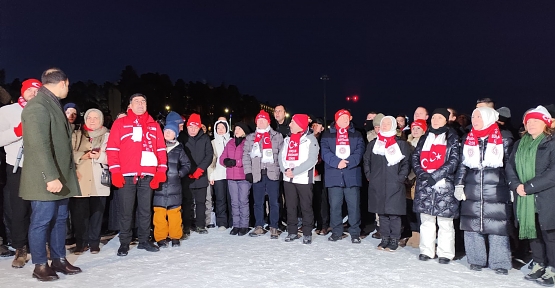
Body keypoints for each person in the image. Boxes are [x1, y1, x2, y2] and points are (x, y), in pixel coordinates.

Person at [20, 68, 82, 281]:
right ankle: (40, 265)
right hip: (45, 178)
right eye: (68, 85)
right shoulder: (37, 106)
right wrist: (50, 176)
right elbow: (38, 145)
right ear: (64, 83)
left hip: (59, 176)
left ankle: (58, 259)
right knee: (42, 220)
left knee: (60, 219)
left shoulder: (51, 102)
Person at [107, 93, 167, 256]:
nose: (140, 104)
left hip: (147, 175)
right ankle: (124, 243)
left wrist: (161, 171)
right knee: (126, 211)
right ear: (130, 106)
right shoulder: (120, 124)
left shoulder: (154, 126)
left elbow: (161, 149)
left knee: (145, 210)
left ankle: (144, 240)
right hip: (127, 175)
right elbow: (112, 149)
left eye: (143, 102)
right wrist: (116, 172)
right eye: (136, 101)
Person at [455, 107, 513, 275]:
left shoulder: (504, 138)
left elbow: (510, 165)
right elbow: (463, 164)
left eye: (479, 116)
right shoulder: (468, 138)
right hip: (472, 187)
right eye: (473, 116)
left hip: (496, 188)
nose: (475, 119)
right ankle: (476, 259)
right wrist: (459, 184)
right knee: (472, 225)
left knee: (497, 225)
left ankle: (500, 261)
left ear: (488, 117)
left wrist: (511, 186)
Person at [506, 106, 555, 285]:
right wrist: (515, 185)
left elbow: (553, 172)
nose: (532, 124)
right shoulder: (519, 144)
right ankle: (539, 263)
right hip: (524, 197)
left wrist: (529, 186)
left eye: (536, 121)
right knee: (532, 232)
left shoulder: (552, 142)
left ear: (546, 123)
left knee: (549, 234)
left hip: (547, 197)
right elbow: (510, 167)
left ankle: (553, 268)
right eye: (529, 121)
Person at [0, 78, 41, 267]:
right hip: (17, 166)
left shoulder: (43, 110)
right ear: (22, 91)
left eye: (37, 90)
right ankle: (20, 248)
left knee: (40, 209)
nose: (33, 93)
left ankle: (39, 245)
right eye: (30, 90)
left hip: (40, 166)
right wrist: (17, 132)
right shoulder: (7, 111)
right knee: (19, 209)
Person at [411, 108, 460, 264]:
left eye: (440, 117)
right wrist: (422, 173)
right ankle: (427, 250)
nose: (436, 120)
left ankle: (445, 252)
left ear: (446, 120)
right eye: (433, 117)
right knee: (426, 220)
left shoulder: (451, 137)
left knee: (445, 222)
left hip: (443, 185)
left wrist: (436, 175)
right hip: (425, 183)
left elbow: (453, 160)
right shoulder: (425, 137)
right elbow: (416, 156)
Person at [364, 116, 411, 251]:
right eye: (382, 123)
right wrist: (369, 175)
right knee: (382, 213)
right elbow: (366, 160)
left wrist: (400, 178)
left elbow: (406, 163)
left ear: (393, 125)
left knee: (394, 213)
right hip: (377, 183)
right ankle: (385, 238)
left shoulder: (400, 144)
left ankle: (394, 239)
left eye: (387, 123)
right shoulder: (374, 144)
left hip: (394, 183)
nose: (384, 125)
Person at [320, 109, 365, 244]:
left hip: (352, 175)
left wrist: (348, 162)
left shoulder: (356, 134)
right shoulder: (327, 135)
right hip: (334, 175)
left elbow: (359, 151)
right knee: (334, 206)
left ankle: (355, 232)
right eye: (341, 118)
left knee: (354, 206)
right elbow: (325, 152)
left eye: (347, 118)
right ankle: (336, 232)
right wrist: (336, 162)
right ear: (336, 119)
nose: (344, 120)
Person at [70, 109, 111, 255]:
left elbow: (113, 156)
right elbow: (69, 152)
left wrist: (100, 156)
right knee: (80, 214)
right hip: (81, 178)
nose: (92, 120)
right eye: (89, 118)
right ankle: (80, 243)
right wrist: (83, 156)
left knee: (97, 213)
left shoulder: (108, 135)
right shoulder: (77, 134)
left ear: (101, 120)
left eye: (96, 118)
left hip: (99, 179)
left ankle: (94, 242)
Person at [279, 114, 319, 244]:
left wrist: (295, 171)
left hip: (303, 179)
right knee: (290, 206)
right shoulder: (287, 139)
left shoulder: (310, 140)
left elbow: (312, 160)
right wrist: (285, 170)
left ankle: (307, 232)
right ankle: (292, 231)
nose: (289, 125)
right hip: (288, 179)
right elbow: (281, 156)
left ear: (300, 125)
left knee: (306, 206)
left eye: (292, 122)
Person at [243, 110, 284, 239]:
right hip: (257, 174)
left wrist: (281, 170)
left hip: (273, 174)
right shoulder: (250, 138)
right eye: (258, 120)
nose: (261, 123)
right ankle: (259, 226)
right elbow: (246, 156)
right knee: (258, 202)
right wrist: (248, 172)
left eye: (263, 120)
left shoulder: (277, 136)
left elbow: (282, 156)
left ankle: (274, 226)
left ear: (268, 122)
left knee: (274, 202)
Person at [153, 122, 190, 248]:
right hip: (159, 186)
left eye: (171, 131)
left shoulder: (179, 148)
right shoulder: (156, 146)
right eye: (166, 130)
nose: (167, 132)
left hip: (174, 186)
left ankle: (175, 237)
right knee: (159, 214)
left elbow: (187, 165)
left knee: (174, 214)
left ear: (176, 134)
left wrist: (179, 173)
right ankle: (161, 238)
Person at [179, 113, 213, 235]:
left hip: (201, 176)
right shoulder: (182, 138)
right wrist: (187, 170)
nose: (193, 130)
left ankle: (200, 225)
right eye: (190, 127)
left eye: (195, 127)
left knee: (200, 202)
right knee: (187, 202)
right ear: (187, 126)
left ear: (199, 127)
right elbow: (181, 155)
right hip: (187, 176)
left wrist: (200, 169)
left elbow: (209, 155)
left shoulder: (205, 138)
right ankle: (187, 226)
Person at [220, 122, 252, 236]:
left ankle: (244, 225)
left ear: (244, 131)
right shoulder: (230, 143)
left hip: (243, 177)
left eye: (239, 128)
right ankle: (236, 225)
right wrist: (225, 161)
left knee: (243, 201)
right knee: (234, 202)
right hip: (231, 177)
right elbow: (222, 157)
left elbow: (249, 158)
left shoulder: (247, 142)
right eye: (235, 128)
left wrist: (236, 162)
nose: (236, 130)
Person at [405, 119, 427, 249]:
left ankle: (421, 236)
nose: (415, 131)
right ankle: (414, 234)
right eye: (413, 128)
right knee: (410, 209)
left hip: (418, 180)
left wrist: (412, 175)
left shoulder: (426, 144)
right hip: (407, 181)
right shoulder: (407, 143)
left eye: (418, 128)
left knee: (419, 209)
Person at [209, 119, 231, 230]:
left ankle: (232, 221)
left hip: (231, 174)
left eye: (223, 127)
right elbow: (211, 160)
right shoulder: (212, 142)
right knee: (220, 199)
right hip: (218, 174)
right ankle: (222, 222)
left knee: (231, 199)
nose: (221, 130)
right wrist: (211, 175)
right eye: (218, 128)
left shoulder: (231, 141)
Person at [311, 118, 330, 235]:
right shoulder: (308, 137)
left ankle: (323, 224)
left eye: (318, 125)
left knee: (322, 200)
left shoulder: (325, 138)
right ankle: (312, 222)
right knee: (311, 199)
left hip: (321, 172)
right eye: (314, 124)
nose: (316, 127)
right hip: (310, 173)